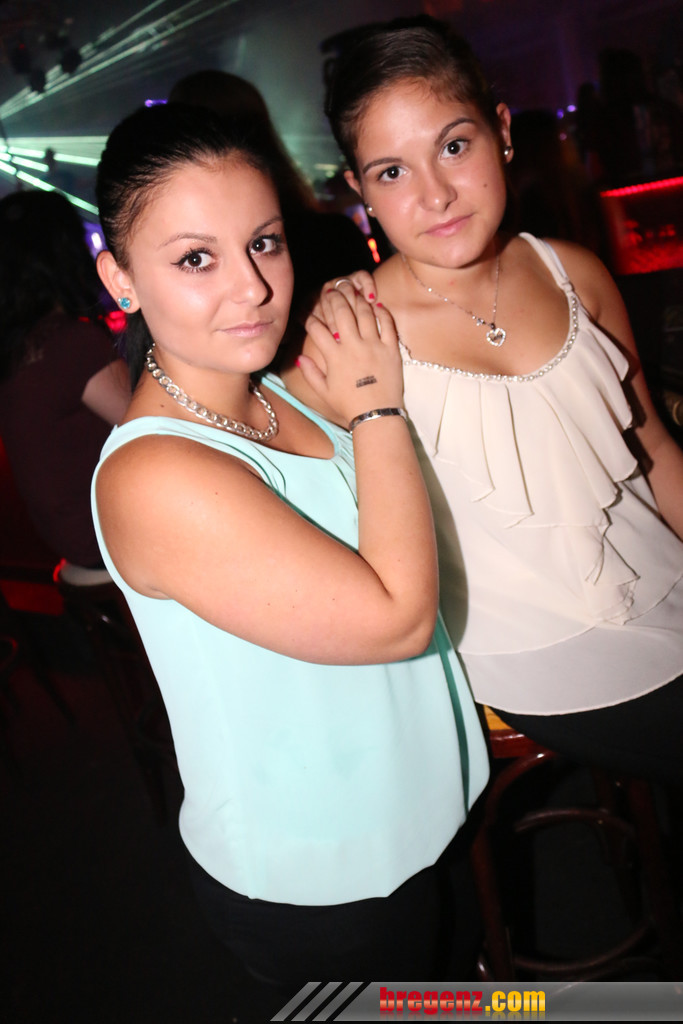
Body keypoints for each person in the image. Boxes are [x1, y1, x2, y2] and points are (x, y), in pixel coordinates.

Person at [91, 103, 488, 986]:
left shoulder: (272, 391)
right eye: (196, 259)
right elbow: (393, 619)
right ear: (120, 280)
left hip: (422, 810)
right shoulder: (155, 475)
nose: (254, 288)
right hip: (319, 879)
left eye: (263, 243)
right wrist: (375, 405)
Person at [283, 17, 683, 785]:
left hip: (665, 583)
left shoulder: (573, 271)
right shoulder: (352, 332)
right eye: (391, 171)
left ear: (500, 131)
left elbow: (654, 451)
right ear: (360, 191)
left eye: (453, 146)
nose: (433, 195)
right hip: (539, 656)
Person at [0, 190, 128, 571]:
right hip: (104, 534)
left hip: (68, 535)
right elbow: (156, 421)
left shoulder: (19, 345)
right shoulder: (69, 342)